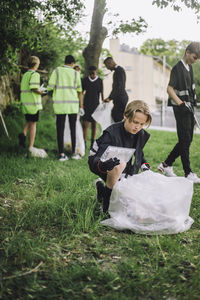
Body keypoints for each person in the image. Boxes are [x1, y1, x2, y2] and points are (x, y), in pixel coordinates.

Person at [88, 100, 152, 213]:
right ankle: (106, 208)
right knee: (118, 166)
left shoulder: (140, 134)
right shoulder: (111, 133)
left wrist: (145, 165)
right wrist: (104, 165)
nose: (138, 127)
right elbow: (97, 158)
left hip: (120, 160)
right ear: (126, 116)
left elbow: (138, 153)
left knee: (129, 200)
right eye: (135, 122)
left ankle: (102, 189)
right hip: (98, 160)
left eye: (142, 124)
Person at [158, 42, 200, 183]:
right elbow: (169, 89)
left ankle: (166, 164)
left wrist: (191, 108)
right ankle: (188, 173)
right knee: (185, 139)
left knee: (187, 139)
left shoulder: (190, 68)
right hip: (181, 108)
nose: (196, 60)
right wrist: (180, 103)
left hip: (189, 108)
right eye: (195, 57)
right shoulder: (177, 68)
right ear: (187, 52)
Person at [47, 55, 83, 161]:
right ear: (73, 63)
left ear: (65, 62)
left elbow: (50, 87)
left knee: (60, 129)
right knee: (73, 129)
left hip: (60, 105)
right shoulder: (76, 73)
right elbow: (79, 91)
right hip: (73, 106)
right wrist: (81, 106)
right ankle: (74, 153)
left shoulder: (57, 71)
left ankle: (61, 154)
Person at [18, 56, 46, 156]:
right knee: (33, 124)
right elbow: (34, 88)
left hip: (26, 103)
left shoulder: (25, 75)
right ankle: (31, 146)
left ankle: (23, 134)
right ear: (35, 65)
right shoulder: (35, 74)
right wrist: (42, 92)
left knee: (29, 121)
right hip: (33, 104)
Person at [82, 66, 104, 149]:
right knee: (85, 125)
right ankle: (84, 143)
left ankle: (92, 143)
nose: (92, 74)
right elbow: (82, 92)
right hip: (86, 105)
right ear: (88, 72)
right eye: (90, 73)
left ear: (96, 72)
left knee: (94, 124)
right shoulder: (85, 80)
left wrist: (103, 105)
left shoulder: (100, 81)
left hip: (96, 105)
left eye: (93, 73)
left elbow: (102, 93)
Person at [103, 57, 128, 122]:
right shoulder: (117, 71)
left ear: (110, 63)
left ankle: (119, 132)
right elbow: (115, 87)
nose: (107, 68)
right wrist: (110, 97)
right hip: (118, 98)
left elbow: (119, 87)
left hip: (121, 98)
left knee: (117, 118)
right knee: (114, 117)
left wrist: (110, 98)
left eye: (107, 66)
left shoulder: (119, 70)